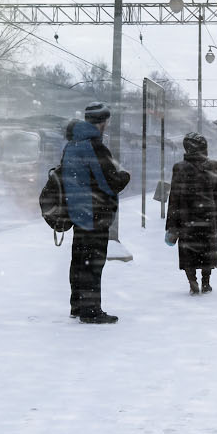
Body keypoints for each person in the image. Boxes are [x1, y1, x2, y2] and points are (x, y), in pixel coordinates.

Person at [61, 103, 131, 324]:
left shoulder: (71, 145)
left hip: (78, 211)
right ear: (102, 122)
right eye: (106, 122)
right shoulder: (95, 147)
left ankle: (77, 304)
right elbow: (109, 182)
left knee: (79, 259)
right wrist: (124, 176)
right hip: (95, 212)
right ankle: (90, 310)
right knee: (93, 262)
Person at [165, 132, 217, 295]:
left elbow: (174, 197)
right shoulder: (215, 166)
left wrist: (172, 224)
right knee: (207, 250)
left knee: (188, 251)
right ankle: (206, 282)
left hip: (186, 217)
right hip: (209, 217)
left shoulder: (179, 168)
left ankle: (192, 280)